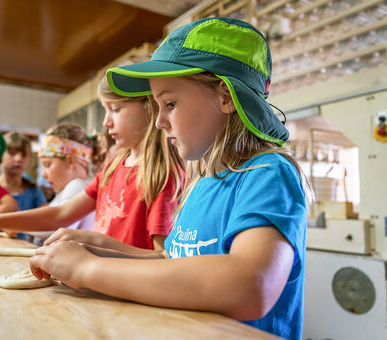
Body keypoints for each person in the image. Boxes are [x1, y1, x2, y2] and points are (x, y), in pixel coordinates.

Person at [27, 18, 308, 340]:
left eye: (170, 104)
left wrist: (87, 269)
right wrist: (102, 249)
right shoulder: (204, 181)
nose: (158, 122)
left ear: (226, 98)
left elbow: (251, 286)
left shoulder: (267, 174)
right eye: (157, 106)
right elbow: (171, 260)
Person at [0, 57, 185, 251]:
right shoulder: (113, 168)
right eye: (105, 110)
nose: (107, 122)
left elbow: (159, 258)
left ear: (150, 107)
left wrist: (91, 246)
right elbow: (60, 214)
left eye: (115, 109)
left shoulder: (160, 177)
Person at [27, 122, 98, 245]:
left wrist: (15, 225)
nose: (43, 174)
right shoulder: (67, 190)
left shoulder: (78, 185)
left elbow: (57, 226)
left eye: (48, 165)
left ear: (70, 160)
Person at [0, 131, 47, 240]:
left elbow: (47, 217)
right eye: (12, 153)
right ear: (0, 155)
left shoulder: (34, 190)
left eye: (24, 155)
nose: (19, 159)